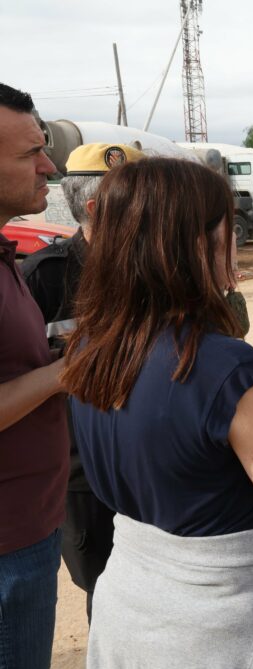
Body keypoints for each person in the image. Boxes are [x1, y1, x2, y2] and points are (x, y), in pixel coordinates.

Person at [63, 157, 253, 669]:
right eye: (228, 229)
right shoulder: (225, 365)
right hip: (223, 625)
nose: (237, 242)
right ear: (193, 243)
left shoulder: (90, 346)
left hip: (129, 600)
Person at [20, 142, 146, 623]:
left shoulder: (153, 271)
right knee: (106, 590)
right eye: (138, 196)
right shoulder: (44, 277)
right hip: (81, 473)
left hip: (150, 459)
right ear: (97, 208)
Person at [0, 81, 68, 669]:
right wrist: (64, 371)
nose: (49, 166)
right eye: (29, 154)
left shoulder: (5, 254)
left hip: (28, 530)